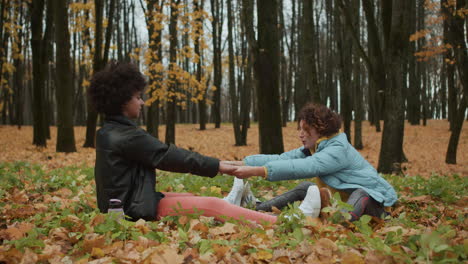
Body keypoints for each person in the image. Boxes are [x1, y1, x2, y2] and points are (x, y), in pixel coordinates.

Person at [88, 61, 276, 224]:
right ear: (121, 101)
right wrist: (218, 166)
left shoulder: (108, 131)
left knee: (190, 198)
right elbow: (169, 156)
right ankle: (277, 223)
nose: (142, 103)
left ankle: (238, 207)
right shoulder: (127, 136)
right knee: (213, 205)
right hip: (130, 212)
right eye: (137, 97)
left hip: (123, 205)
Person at [223, 103, 397, 221]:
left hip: (376, 206)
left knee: (361, 193)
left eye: (306, 130)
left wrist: (256, 171)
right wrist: (240, 163)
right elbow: (283, 159)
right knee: (307, 187)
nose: (300, 134)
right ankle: (255, 208)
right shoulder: (316, 148)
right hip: (338, 202)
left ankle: (340, 222)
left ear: (321, 129)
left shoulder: (337, 150)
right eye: (300, 129)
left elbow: (305, 167)